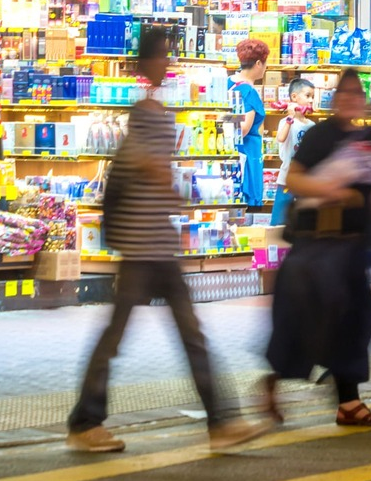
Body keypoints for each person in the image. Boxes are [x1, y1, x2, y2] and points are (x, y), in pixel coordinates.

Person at [68, 28, 266, 453]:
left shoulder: (152, 109)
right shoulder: (149, 112)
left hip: (152, 242)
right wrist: (179, 191)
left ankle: (218, 421)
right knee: (157, 335)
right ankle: (87, 421)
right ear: (147, 62)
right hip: (147, 245)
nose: (168, 62)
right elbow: (151, 168)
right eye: (162, 56)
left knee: (175, 335)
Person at [262, 70, 371, 427]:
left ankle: (347, 401)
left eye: (357, 94)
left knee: (355, 319)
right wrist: (335, 193)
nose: (351, 100)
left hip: (351, 250)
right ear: (335, 101)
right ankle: (279, 384)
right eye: (344, 94)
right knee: (319, 323)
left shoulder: (368, 139)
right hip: (319, 250)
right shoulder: (320, 135)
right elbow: (295, 179)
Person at [268, 81, 316, 230]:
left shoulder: (312, 126)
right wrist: (290, 118)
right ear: (294, 97)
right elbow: (280, 138)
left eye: (312, 97)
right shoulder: (286, 121)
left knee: (305, 223)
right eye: (307, 95)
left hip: (306, 181)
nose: (311, 100)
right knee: (279, 222)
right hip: (286, 179)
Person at [230, 39, 269, 207]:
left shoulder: (227, 82)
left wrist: (223, 119)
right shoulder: (248, 92)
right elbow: (244, 128)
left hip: (228, 153)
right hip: (245, 154)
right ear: (259, 63)